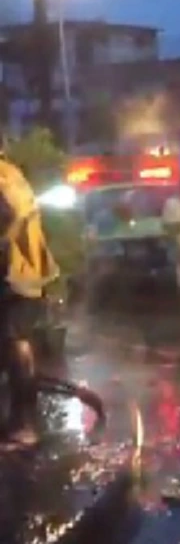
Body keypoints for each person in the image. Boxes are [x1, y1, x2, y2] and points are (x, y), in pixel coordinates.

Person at [0, 142, 58, 447]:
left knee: (15, 342)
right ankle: (17, 422)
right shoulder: (10, 173)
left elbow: (13, 217)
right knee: (11, 343)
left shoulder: (3, 177)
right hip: (20, 273)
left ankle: (25, 425)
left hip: (17, 274)